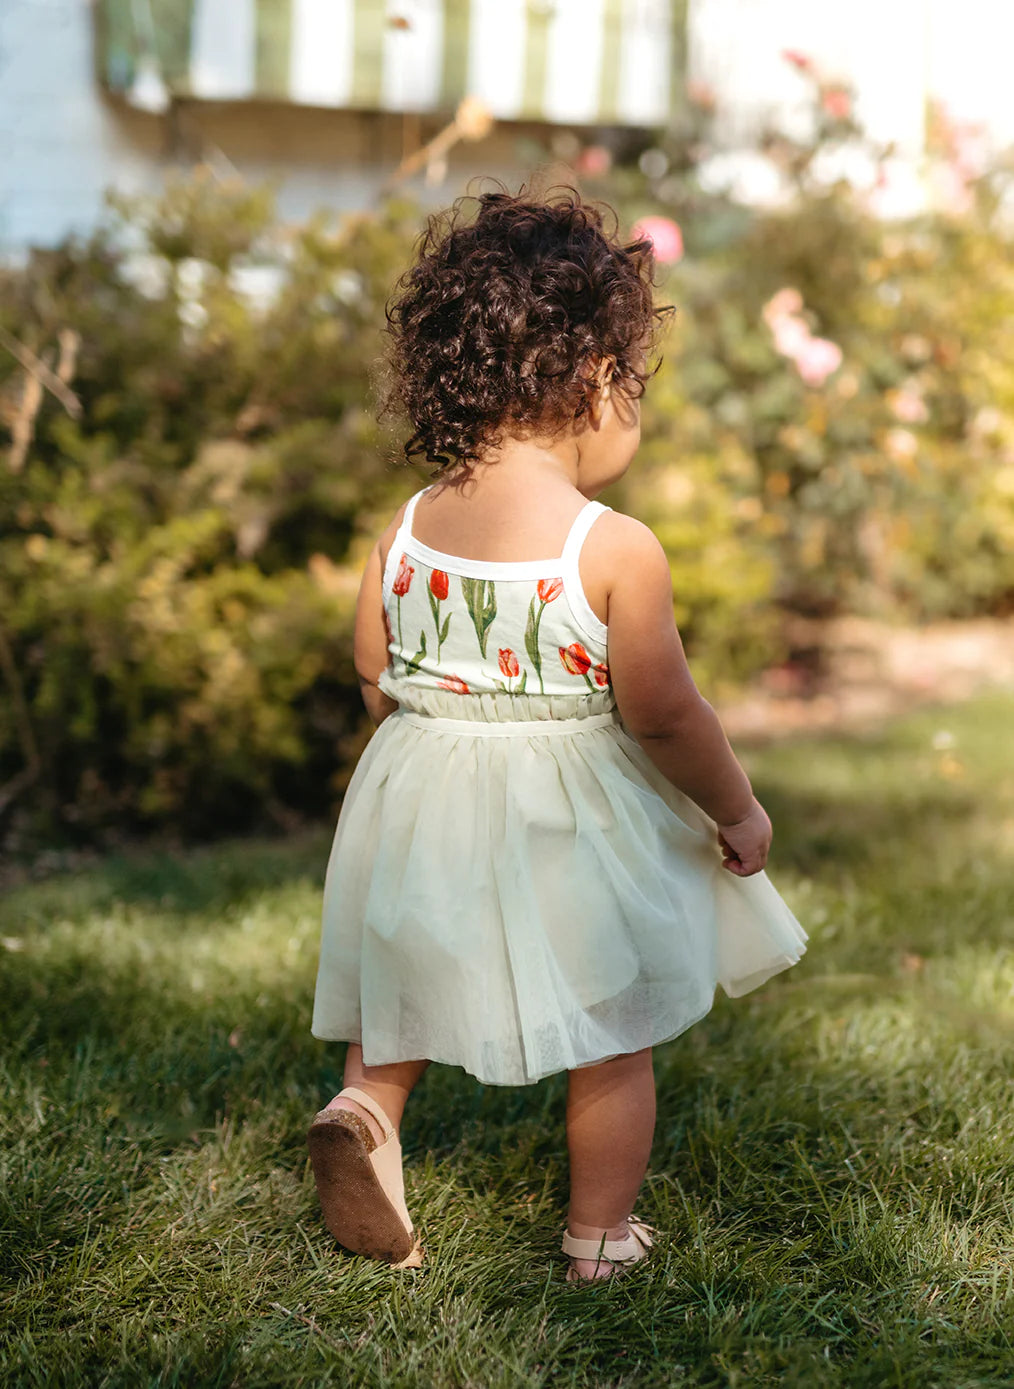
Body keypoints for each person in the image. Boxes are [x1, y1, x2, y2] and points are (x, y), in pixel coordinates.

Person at [307, 189, 806, 1282]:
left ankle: (364, 1113)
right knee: (613, 1034)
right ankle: (599, 1238)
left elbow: (372, 668)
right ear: (592, 384)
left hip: (420, 798)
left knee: (396, 1007)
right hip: (565, 826)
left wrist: (437, 743)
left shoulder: (409, 522)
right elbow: (666, 712)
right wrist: (737, 806)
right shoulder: (612, 546)